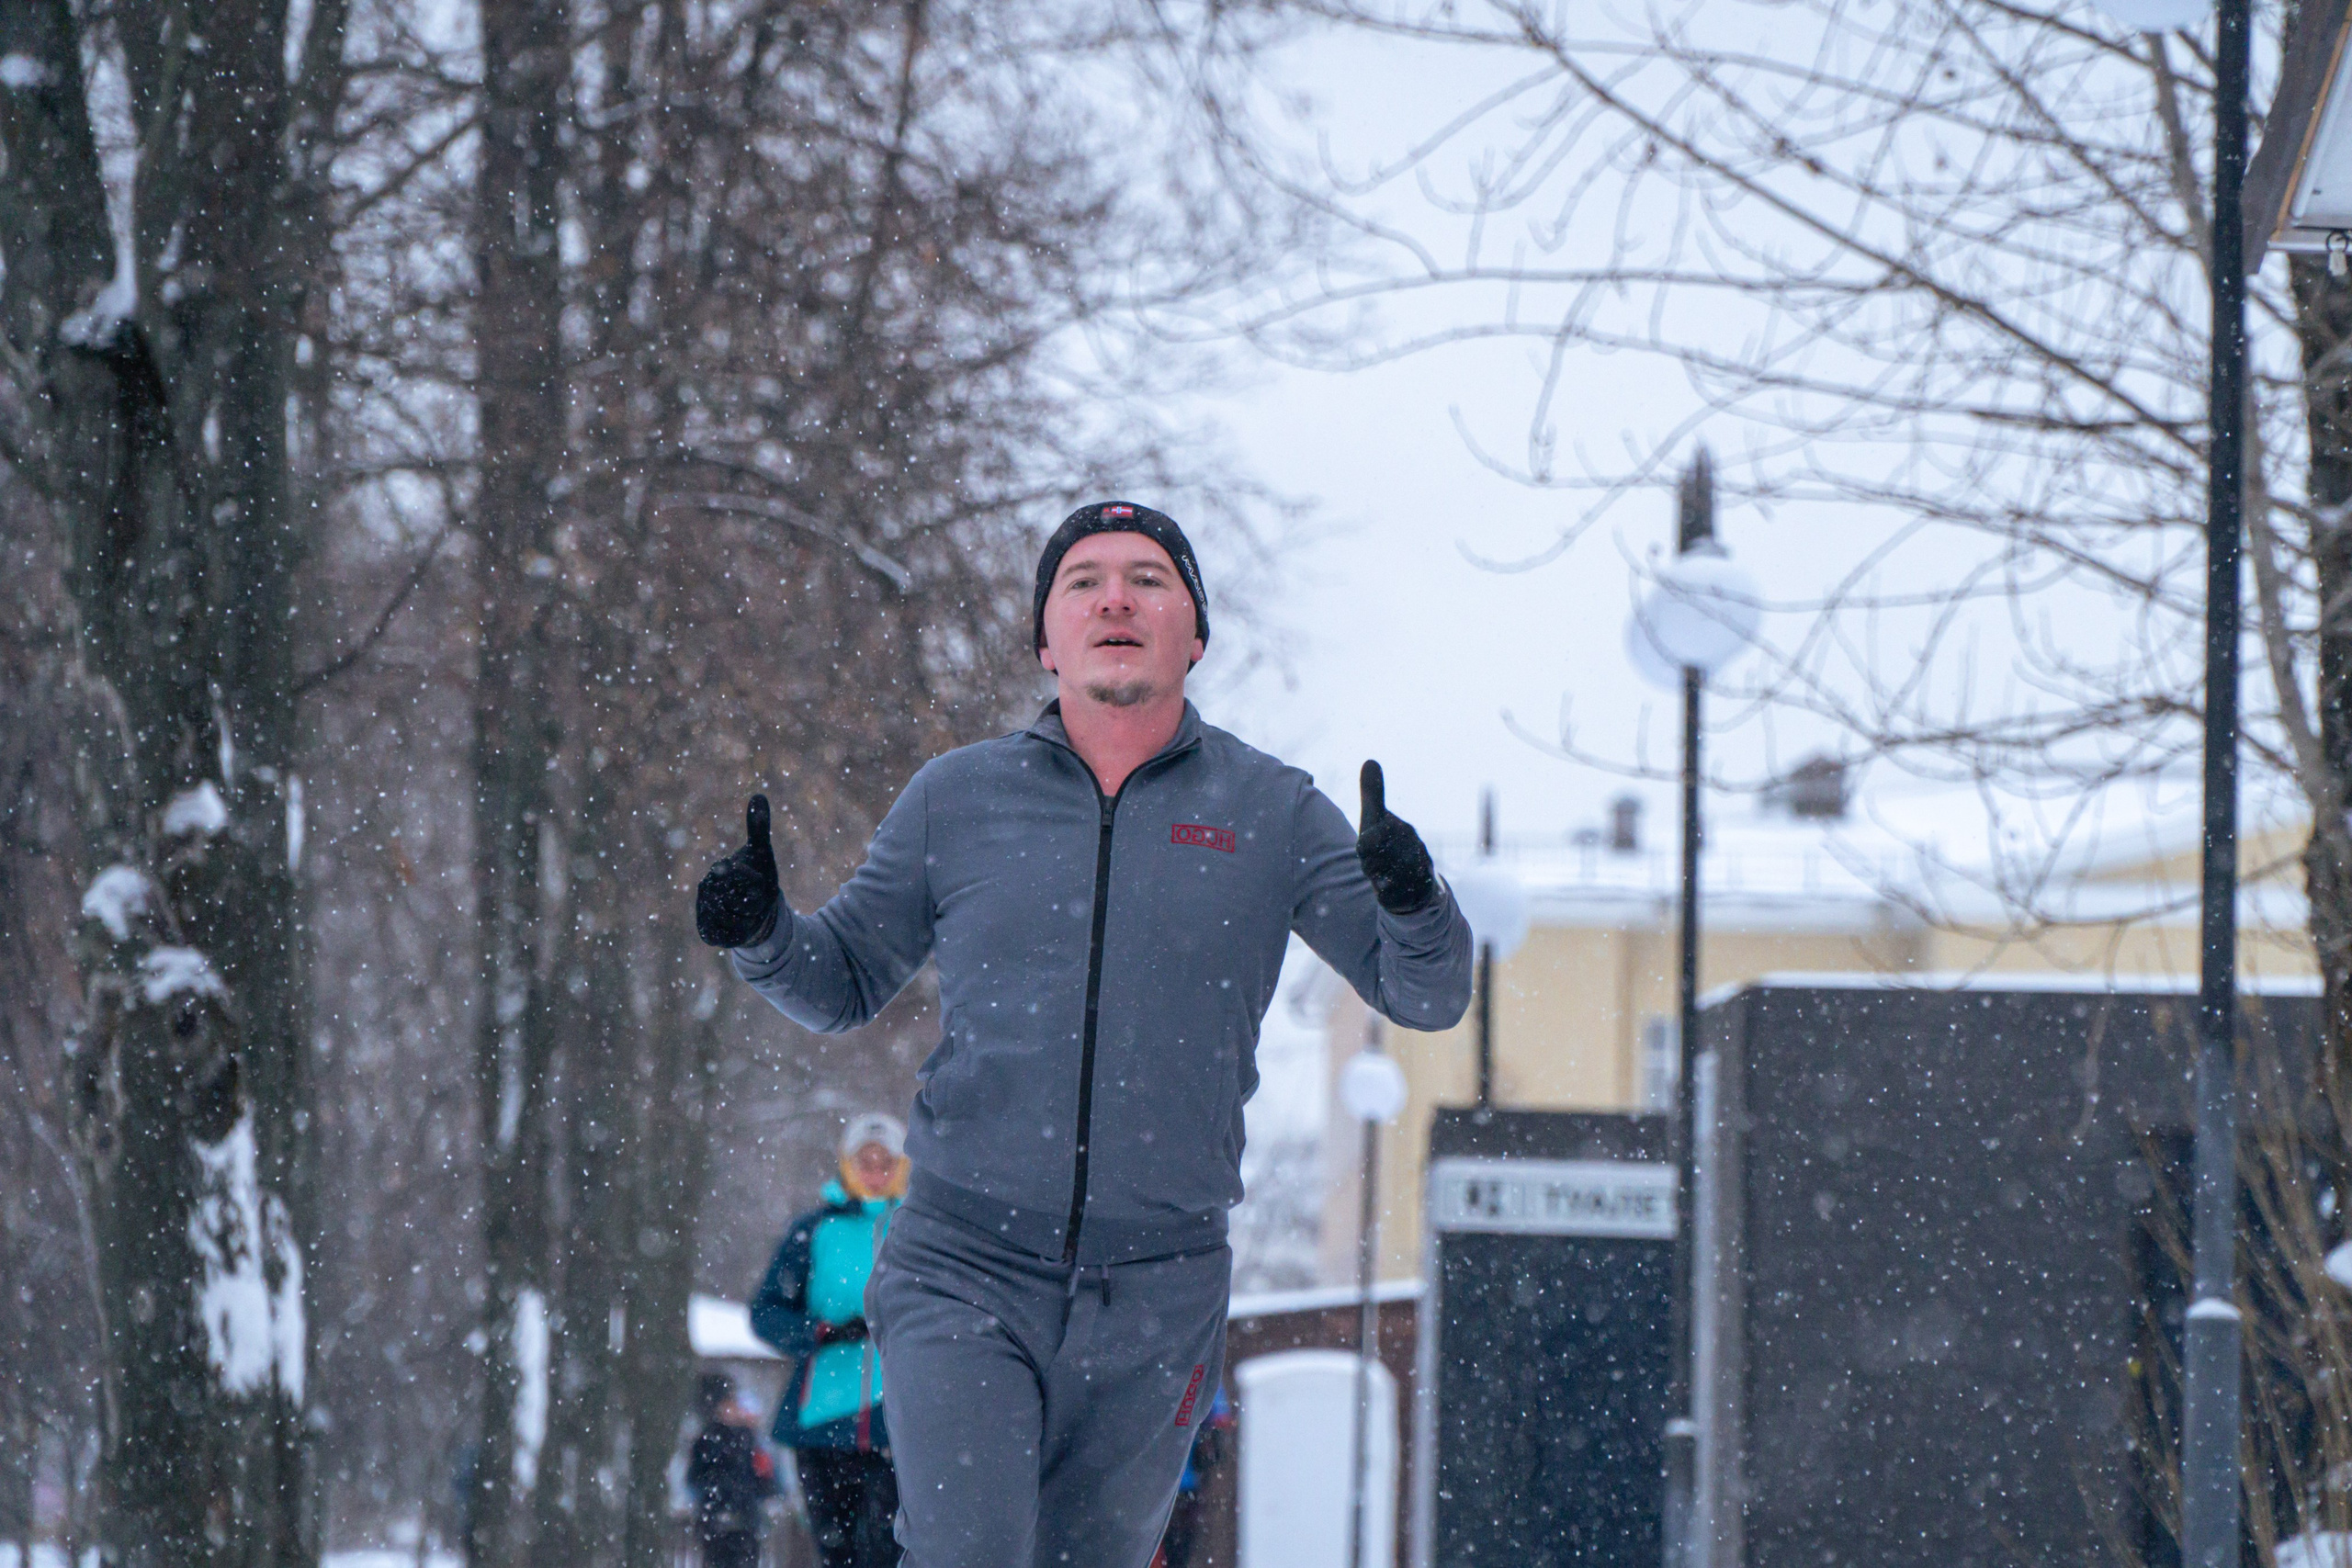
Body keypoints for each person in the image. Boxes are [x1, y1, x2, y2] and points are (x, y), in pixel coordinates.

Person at [695, 500, 1472, 1568]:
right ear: (1045, 640)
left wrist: (1416, 901)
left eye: (1150, 579)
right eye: (1084, 580)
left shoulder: (1272, 812)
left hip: (1161, 1287)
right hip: (962, 1263)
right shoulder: (956, 801)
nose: (1117, 596)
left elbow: (1423, 995)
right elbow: (840, 981)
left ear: (1194, 636)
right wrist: (761, 936)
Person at [750, 1113, 907, 1568]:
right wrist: (820, 1332)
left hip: (897, 1421)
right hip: (822, 1421)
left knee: (889, 1551)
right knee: (835, 1552)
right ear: (845, 1165)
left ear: (903, 1168)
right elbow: (765, 1313)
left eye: (886, 1162)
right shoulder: (814, 1230)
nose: (875, 1172)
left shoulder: (920, 1231)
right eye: (865, 1161)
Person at [686, 1371, 779, 1568]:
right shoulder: (707, 1440)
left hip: (741, 1522)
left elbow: (768, 1483)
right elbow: (695, 1480)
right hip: (719, 1522)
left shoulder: (750, 1439)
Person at [1156, 1384, 1233, 1568]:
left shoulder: (1202, 1375)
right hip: (1174, 1485)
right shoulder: (1202, 1373)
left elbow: (1220, 1422)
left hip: (1182, 1485)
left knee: (1176, 1549)